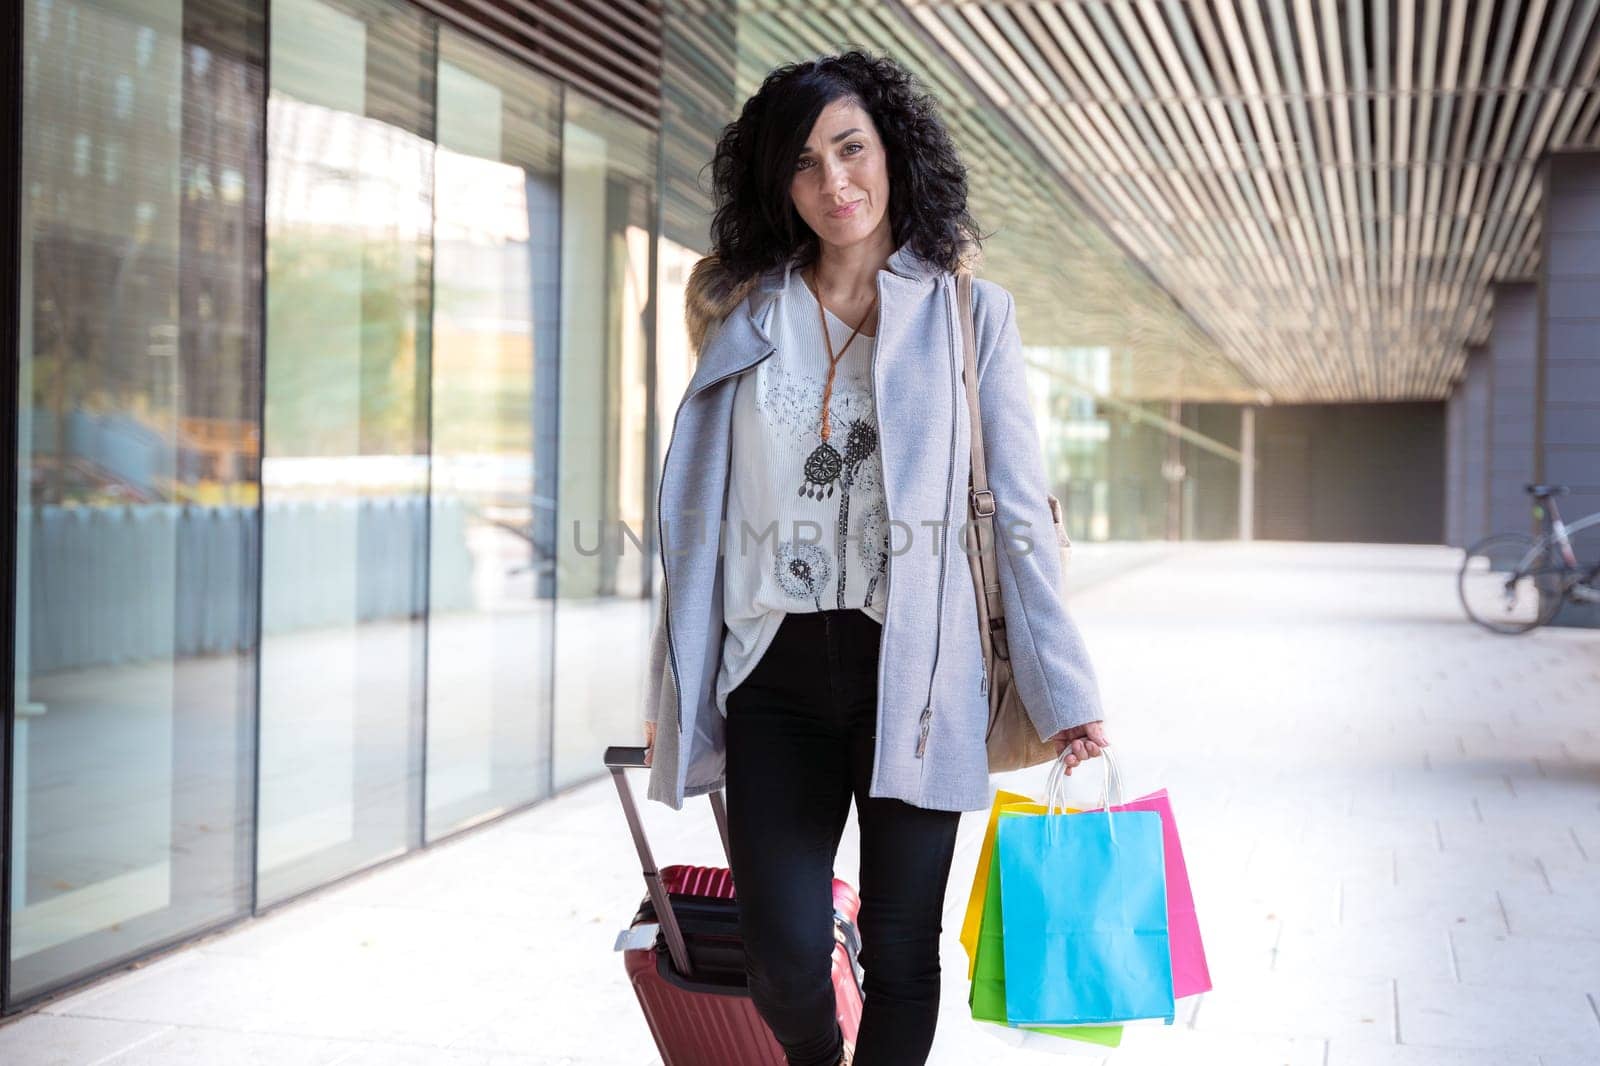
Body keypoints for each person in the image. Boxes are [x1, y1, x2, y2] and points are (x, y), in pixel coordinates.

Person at [640, 50, 1109, 1066]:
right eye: (804, 164)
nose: (833, 182)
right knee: (784, 960)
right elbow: (698, 520)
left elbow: (1017, 513)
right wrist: (671, 680)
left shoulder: (969, 316)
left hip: (920, 670)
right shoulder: (740, 309)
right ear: (780, 185)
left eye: (850, 149)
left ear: (891, 154)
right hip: (772, 668)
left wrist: (1065, 686)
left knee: (903, 950)